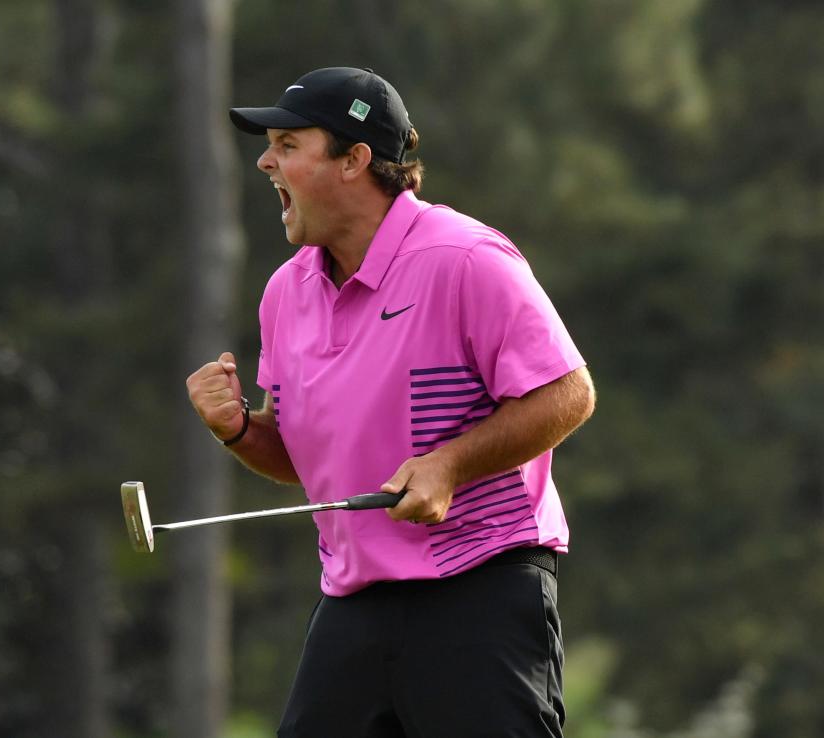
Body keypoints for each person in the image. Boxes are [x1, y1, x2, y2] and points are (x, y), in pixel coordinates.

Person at [187, 67, 595, 738]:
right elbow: (305, 460)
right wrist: (236, 429)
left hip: (477, 588)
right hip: (353, 603)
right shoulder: (286, 292)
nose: (265, 161)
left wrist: (449, 465)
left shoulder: (464, 259)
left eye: (288, 145)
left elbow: (567, 393)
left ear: (354, 160)